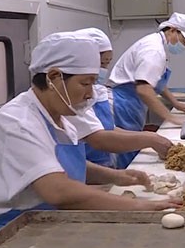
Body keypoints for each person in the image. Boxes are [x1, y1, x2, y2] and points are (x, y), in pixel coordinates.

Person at [0, 32, 179, 242]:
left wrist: (116, 176)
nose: (91, 94)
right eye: (85, 83)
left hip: (52, 224)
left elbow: (61, 165)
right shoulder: (19, 121)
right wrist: (137, 206)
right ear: (54, 78)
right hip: (16, 234)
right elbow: (57, 190)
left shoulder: (61, 117)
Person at [109, 12, 185, 169]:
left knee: (133, 144)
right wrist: (171, 118)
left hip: (132, 102)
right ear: (172, 30)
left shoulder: (158, 46)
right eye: (184, 42)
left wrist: (175, 103)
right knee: (127, 149)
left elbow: (155, 81)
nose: (183, 47)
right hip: (124, 103)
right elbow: (144, 89)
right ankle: (126, 181)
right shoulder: (154, 50)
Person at [73, 27, 172, 168]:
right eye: (101, 63)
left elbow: (108, 129)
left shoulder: (95, 92)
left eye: (107, 63)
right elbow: (99, 139)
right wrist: (150, 138)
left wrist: (150, 138)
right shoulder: (68, 101)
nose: (103, 70)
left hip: (96, 168)